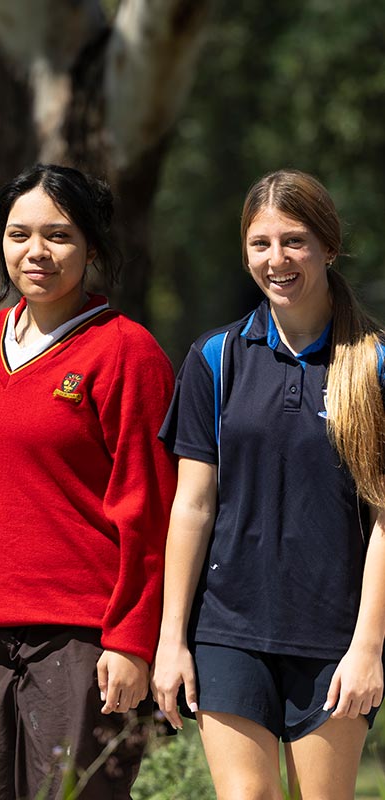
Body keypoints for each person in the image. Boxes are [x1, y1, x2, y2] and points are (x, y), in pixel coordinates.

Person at [0, 163, 177, 800]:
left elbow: (152, 510)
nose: (35, 252)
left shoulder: (127, 352)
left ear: (92, 247)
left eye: (58, 235)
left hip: (79, 641)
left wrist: (131, 641)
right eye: (18, 235)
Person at [151, 169, 385, 800]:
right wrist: (171, 639)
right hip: (228, 630)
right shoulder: (214, 359)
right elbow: (192, 507)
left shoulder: (375, 367)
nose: (276, 260)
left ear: (328, 247)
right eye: (260, 243)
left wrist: (368, 647)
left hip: (333, 638)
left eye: (295, 241)